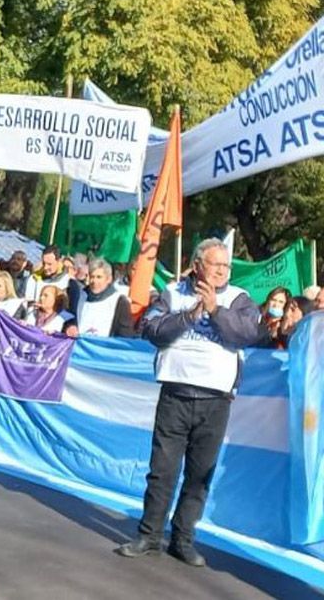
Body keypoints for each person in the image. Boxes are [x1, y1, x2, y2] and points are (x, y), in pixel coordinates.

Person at [116, 239, 264, 567]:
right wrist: (189, 315)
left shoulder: (239, 299)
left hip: (215, 400)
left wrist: (213, 310)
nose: (224, 271)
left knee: (199, 474)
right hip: (175, 395)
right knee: (162, 471)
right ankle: (149, 535)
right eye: (217, 265)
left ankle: (182, 539)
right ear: (198, 265)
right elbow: (152, 328)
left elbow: (247, 333)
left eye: (226, 266)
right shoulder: (172, 293)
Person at [68, 257, 137, 338]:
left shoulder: (119, 301)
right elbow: (70, 319)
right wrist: (70, 326)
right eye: (92, 277)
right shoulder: (80, 297)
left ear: (109, 279)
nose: (94, 281)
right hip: (81, 347)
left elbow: (125, 335)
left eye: (99, 277)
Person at [25, 245, 83, 311]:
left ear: (59, 261)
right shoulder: (33, 279)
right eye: (44, 263)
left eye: (49, 264)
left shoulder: (69, 284)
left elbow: (72, 311)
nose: (45, 267)